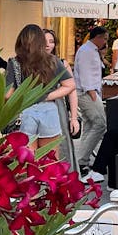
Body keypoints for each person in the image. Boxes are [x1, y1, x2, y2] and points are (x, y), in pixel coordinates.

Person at [4, 24, 76, 150]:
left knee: (27, 160)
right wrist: (46, 96)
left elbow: (7, 94)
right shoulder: (53, 60)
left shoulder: (14, 62)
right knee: (50, 160)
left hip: (24, 111)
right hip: (49, 111)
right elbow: (70, 85)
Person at [73, 26, 109, 174]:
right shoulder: (87, 51)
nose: (106, 42)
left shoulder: (90, 50)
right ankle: (82, 159)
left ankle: (82, 161)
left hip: (89, 92)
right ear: (98, 37)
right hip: (88, 92)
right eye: (105, 38)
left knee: (90, 125)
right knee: (100, 124)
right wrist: (92, 92)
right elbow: (86, 72)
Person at [43, 28, 80, 168]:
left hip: (58, 107)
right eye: (44, 41)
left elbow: (72, 90)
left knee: (61, 143)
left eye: (51, 41)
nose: (48, 45)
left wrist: (74, 117)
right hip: (35, 107)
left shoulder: (61, 62)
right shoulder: (31, 63)